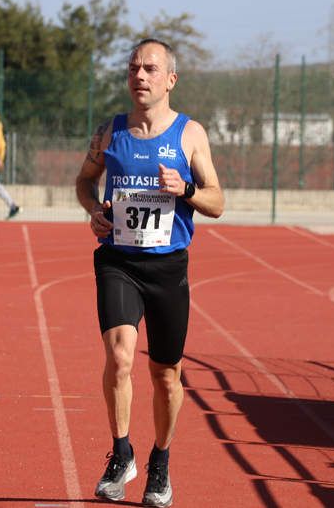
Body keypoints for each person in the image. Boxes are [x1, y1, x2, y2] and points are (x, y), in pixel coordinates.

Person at [75, 39, 224, 507]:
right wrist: (91, 211)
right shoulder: (109, 132)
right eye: (134, 68)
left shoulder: (190, 134)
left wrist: (187, 190)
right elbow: (84, 180)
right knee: (120, 357)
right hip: (118, 260)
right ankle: (122, 452)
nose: (140, 76)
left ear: (170, 80)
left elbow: (218, 202)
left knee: (166, 373)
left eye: (150, 69)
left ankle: (160, 461)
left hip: (167, 268)